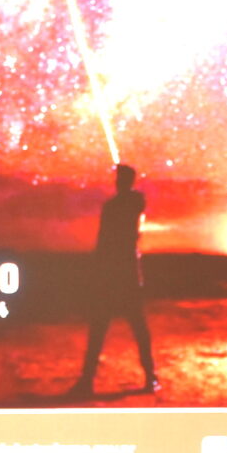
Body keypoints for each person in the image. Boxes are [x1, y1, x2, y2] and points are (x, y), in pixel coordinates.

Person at [66, 162, 159, 396]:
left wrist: (98, 272)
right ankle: (150, 377)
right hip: (125, 275)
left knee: (103, 328)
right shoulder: (130, 202)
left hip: (115, 275)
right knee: (134, 328)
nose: (116, 182)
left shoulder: (121, 204)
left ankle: (88, 380)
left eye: (119, 178)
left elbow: (104, 240)